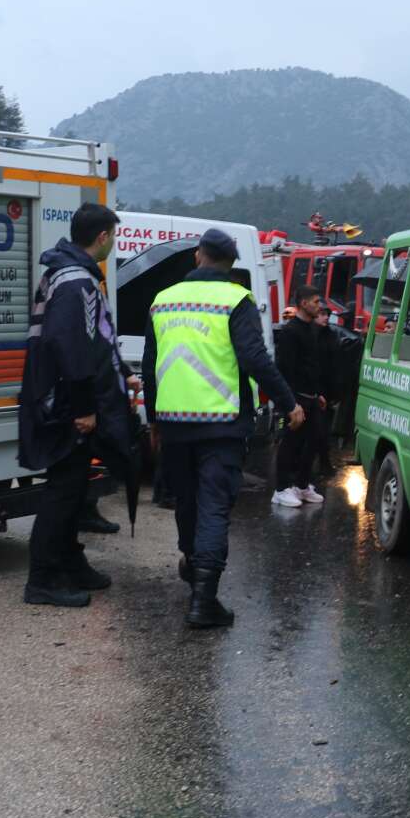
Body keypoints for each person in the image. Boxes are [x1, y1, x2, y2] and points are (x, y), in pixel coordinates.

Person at [143, 229, 304, 628]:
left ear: (198, 256)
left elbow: (150, 367)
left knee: (188, 502)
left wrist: (152, 420)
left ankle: (194, 566)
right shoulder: (237, 300)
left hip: (174, 422)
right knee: (214, 507)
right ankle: (203, 600)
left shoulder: (163, 300)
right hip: (221, 424)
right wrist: (289, 403)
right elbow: (255, 359)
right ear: (232, 264)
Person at [18, 204, 137, 607]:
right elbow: (72, 349)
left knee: (72, 489)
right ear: (102, 237)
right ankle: (44, 579)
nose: (113, 244)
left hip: (66, 399)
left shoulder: (71, 274)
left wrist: (122, 374)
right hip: (69, 406)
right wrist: (85, 407)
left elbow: (96, 341)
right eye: (113, 237)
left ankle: (70, 562)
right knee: (63, 492)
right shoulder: (76, 283)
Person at [272, 285, 329, 507]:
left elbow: (313, 365)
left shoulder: (313, 330)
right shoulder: (290, 331)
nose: (319, 305)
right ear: (303, 303)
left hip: (312, 397)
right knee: (291, 443)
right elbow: (285, 368)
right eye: (315, 301)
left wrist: (318, 393)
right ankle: (281, 488)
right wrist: (290, 401)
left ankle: (302, 485)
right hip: (295, 398)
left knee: (315, 440)